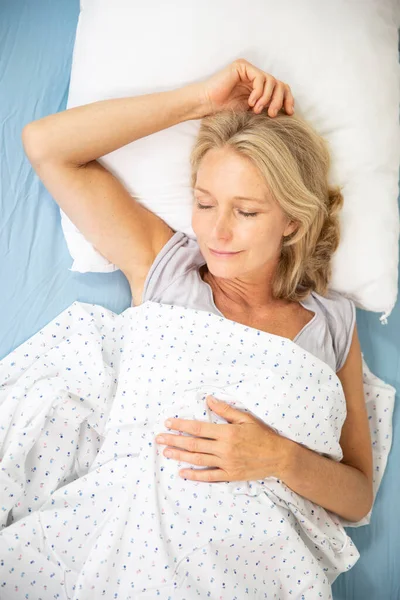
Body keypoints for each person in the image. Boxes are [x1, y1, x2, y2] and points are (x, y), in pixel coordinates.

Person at [22, 58, 372, 525]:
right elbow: (46, 146)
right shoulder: (166, 268)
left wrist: (280, 457)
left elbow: (358, 494)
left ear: (292, 220)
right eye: (205, 204)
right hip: (131, 525)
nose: (217, 233)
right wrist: (200, 101)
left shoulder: (332, 322)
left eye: (246, 212)